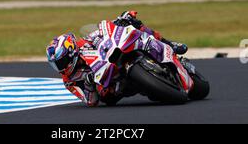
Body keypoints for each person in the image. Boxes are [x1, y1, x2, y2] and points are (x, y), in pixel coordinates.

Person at [47, 11, 188, 107]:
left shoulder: (83, 43)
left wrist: (120, 21)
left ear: (71, 51)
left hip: (112, 58)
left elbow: (101, 33)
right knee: (107, 96)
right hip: (110, 89)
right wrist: (89, 84)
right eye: (56, 64)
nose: (60, 67)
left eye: (61, 62)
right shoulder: (69, 81)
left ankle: (168, 43)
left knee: (134, 24)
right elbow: (91, 101)